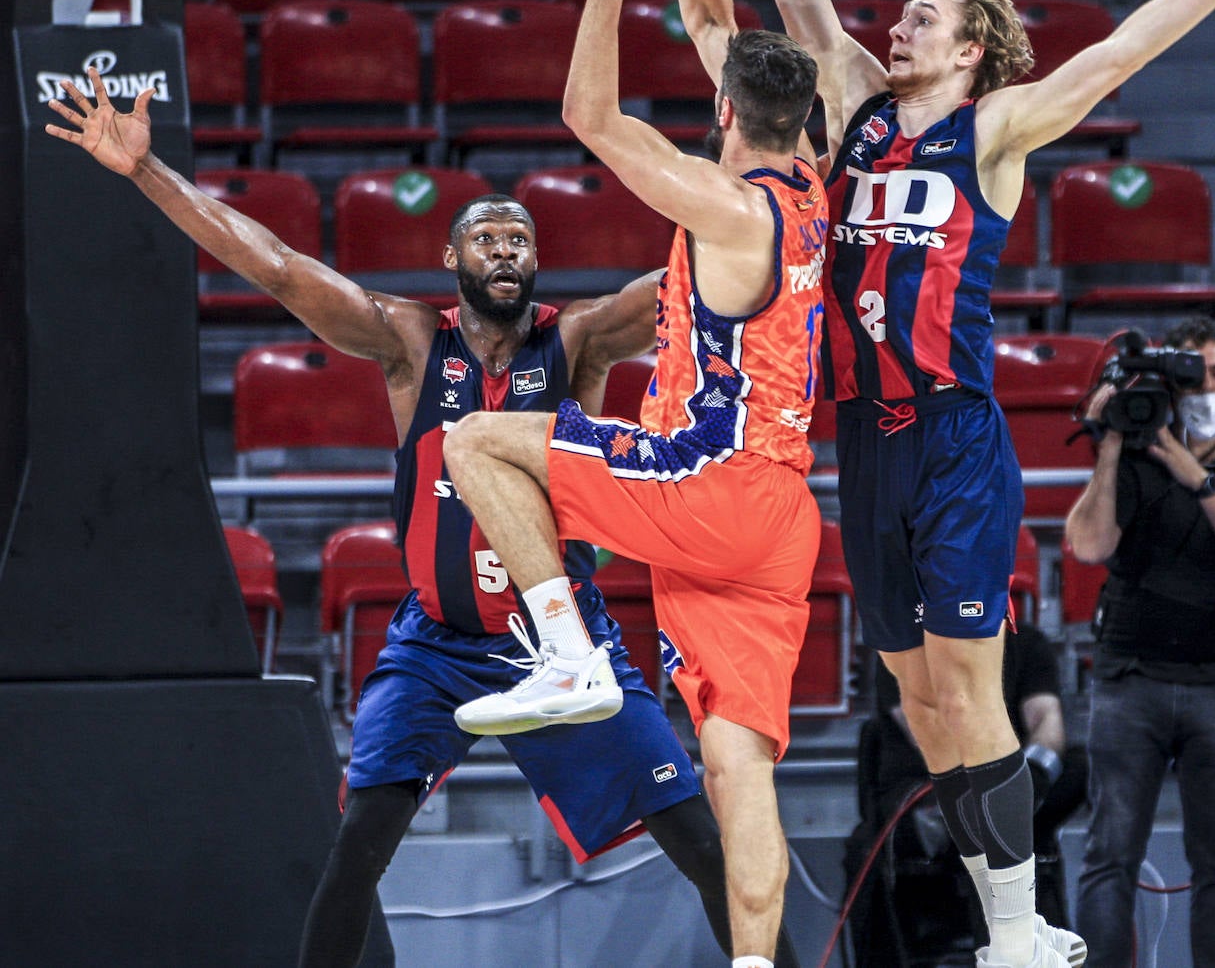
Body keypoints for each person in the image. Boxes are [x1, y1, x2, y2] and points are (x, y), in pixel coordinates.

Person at [705, 0, 1215, 968]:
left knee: (972, 692)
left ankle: (1023, 921)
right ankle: (1010, 914)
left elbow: (1128, 51)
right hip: (861, 439)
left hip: (956, 433)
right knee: (917, 701)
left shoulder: (994, 129)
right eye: (906, 14)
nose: (899, 24)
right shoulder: (861, 103)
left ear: (974, 46)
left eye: (925, 15)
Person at [42, 66, 802, 968]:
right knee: (356, 849)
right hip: (435, 644)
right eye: (486, 238)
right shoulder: (409, 341)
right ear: (453, 261)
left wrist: (779, 177)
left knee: (702, 845)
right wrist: (146, 172)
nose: (507, 250)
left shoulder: (581, 337)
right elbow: (277, 267)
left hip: (563, 646)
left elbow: (710, 261)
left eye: (520, 237)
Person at [440, 0, 826, 968]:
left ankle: (567, 653)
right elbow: (720, 32)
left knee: (478, 439)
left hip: (709, 477)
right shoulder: (809, 183)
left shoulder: (728, 204)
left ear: (719, 116)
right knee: (737, 767)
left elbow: (591, 121)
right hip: (782, 512)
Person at [1065, 317, 1215, 968]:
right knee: (1107, 860)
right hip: (1128, 680)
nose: (1205, 386)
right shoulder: (1134, 461)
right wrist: (1110, 445)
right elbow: (1087, 544)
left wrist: (1198, 476)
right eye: (1192, 373)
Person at [844, 622, 1088, 966]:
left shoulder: (1027, 642)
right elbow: (925, 728)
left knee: (1078, 766)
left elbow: (1046, 717)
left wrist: (1027, 775)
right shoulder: (902, 644)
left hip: (1012, 786)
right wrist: (988, 782)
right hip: (927, 793)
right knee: (977, 820)